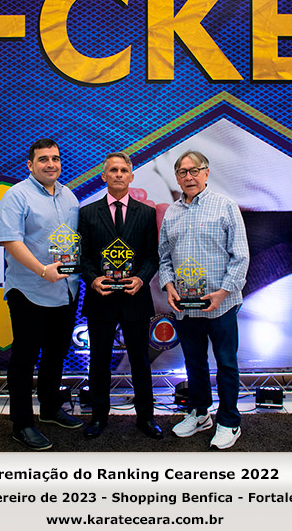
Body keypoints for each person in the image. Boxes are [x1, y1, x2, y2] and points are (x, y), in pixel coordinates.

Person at [158, 150, 250, 449]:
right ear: (177, 177)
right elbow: (164, 258)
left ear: (206, 173)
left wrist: (223, 292)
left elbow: (241, 256)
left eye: (194, 170)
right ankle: (199, 413)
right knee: (194, 362)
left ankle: (229, 421)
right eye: (183, 172)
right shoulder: (171, 213)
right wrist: (168, 286)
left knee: (226, 363)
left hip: (220, 304)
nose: (189, 177)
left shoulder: (225, 206)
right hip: (186, 306)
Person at [0, 138, 83, 450]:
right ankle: (22, 424)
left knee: (56, 353)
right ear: (30, 165)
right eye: (43, 159)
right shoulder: (16, 195)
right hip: (29, 291)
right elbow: (10, 240)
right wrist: (42, 270)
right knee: (25, 358)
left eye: (55, 158)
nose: (50, 164)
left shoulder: (68, 195)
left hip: (65, 290)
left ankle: (49, 408)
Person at [78, 152, 163, 440]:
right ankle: (98, 417)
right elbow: (83, 256)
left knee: (140, 361)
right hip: (100, 298)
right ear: (103, 176)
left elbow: (152, 256)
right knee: (99, 361)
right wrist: (93, 279)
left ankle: (146, 417)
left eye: (123, 170)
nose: (118, 174)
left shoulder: (146, 213)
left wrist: (141, 278)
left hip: (135, 298)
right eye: (113, 170)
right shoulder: (88, 213)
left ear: (131, 176)